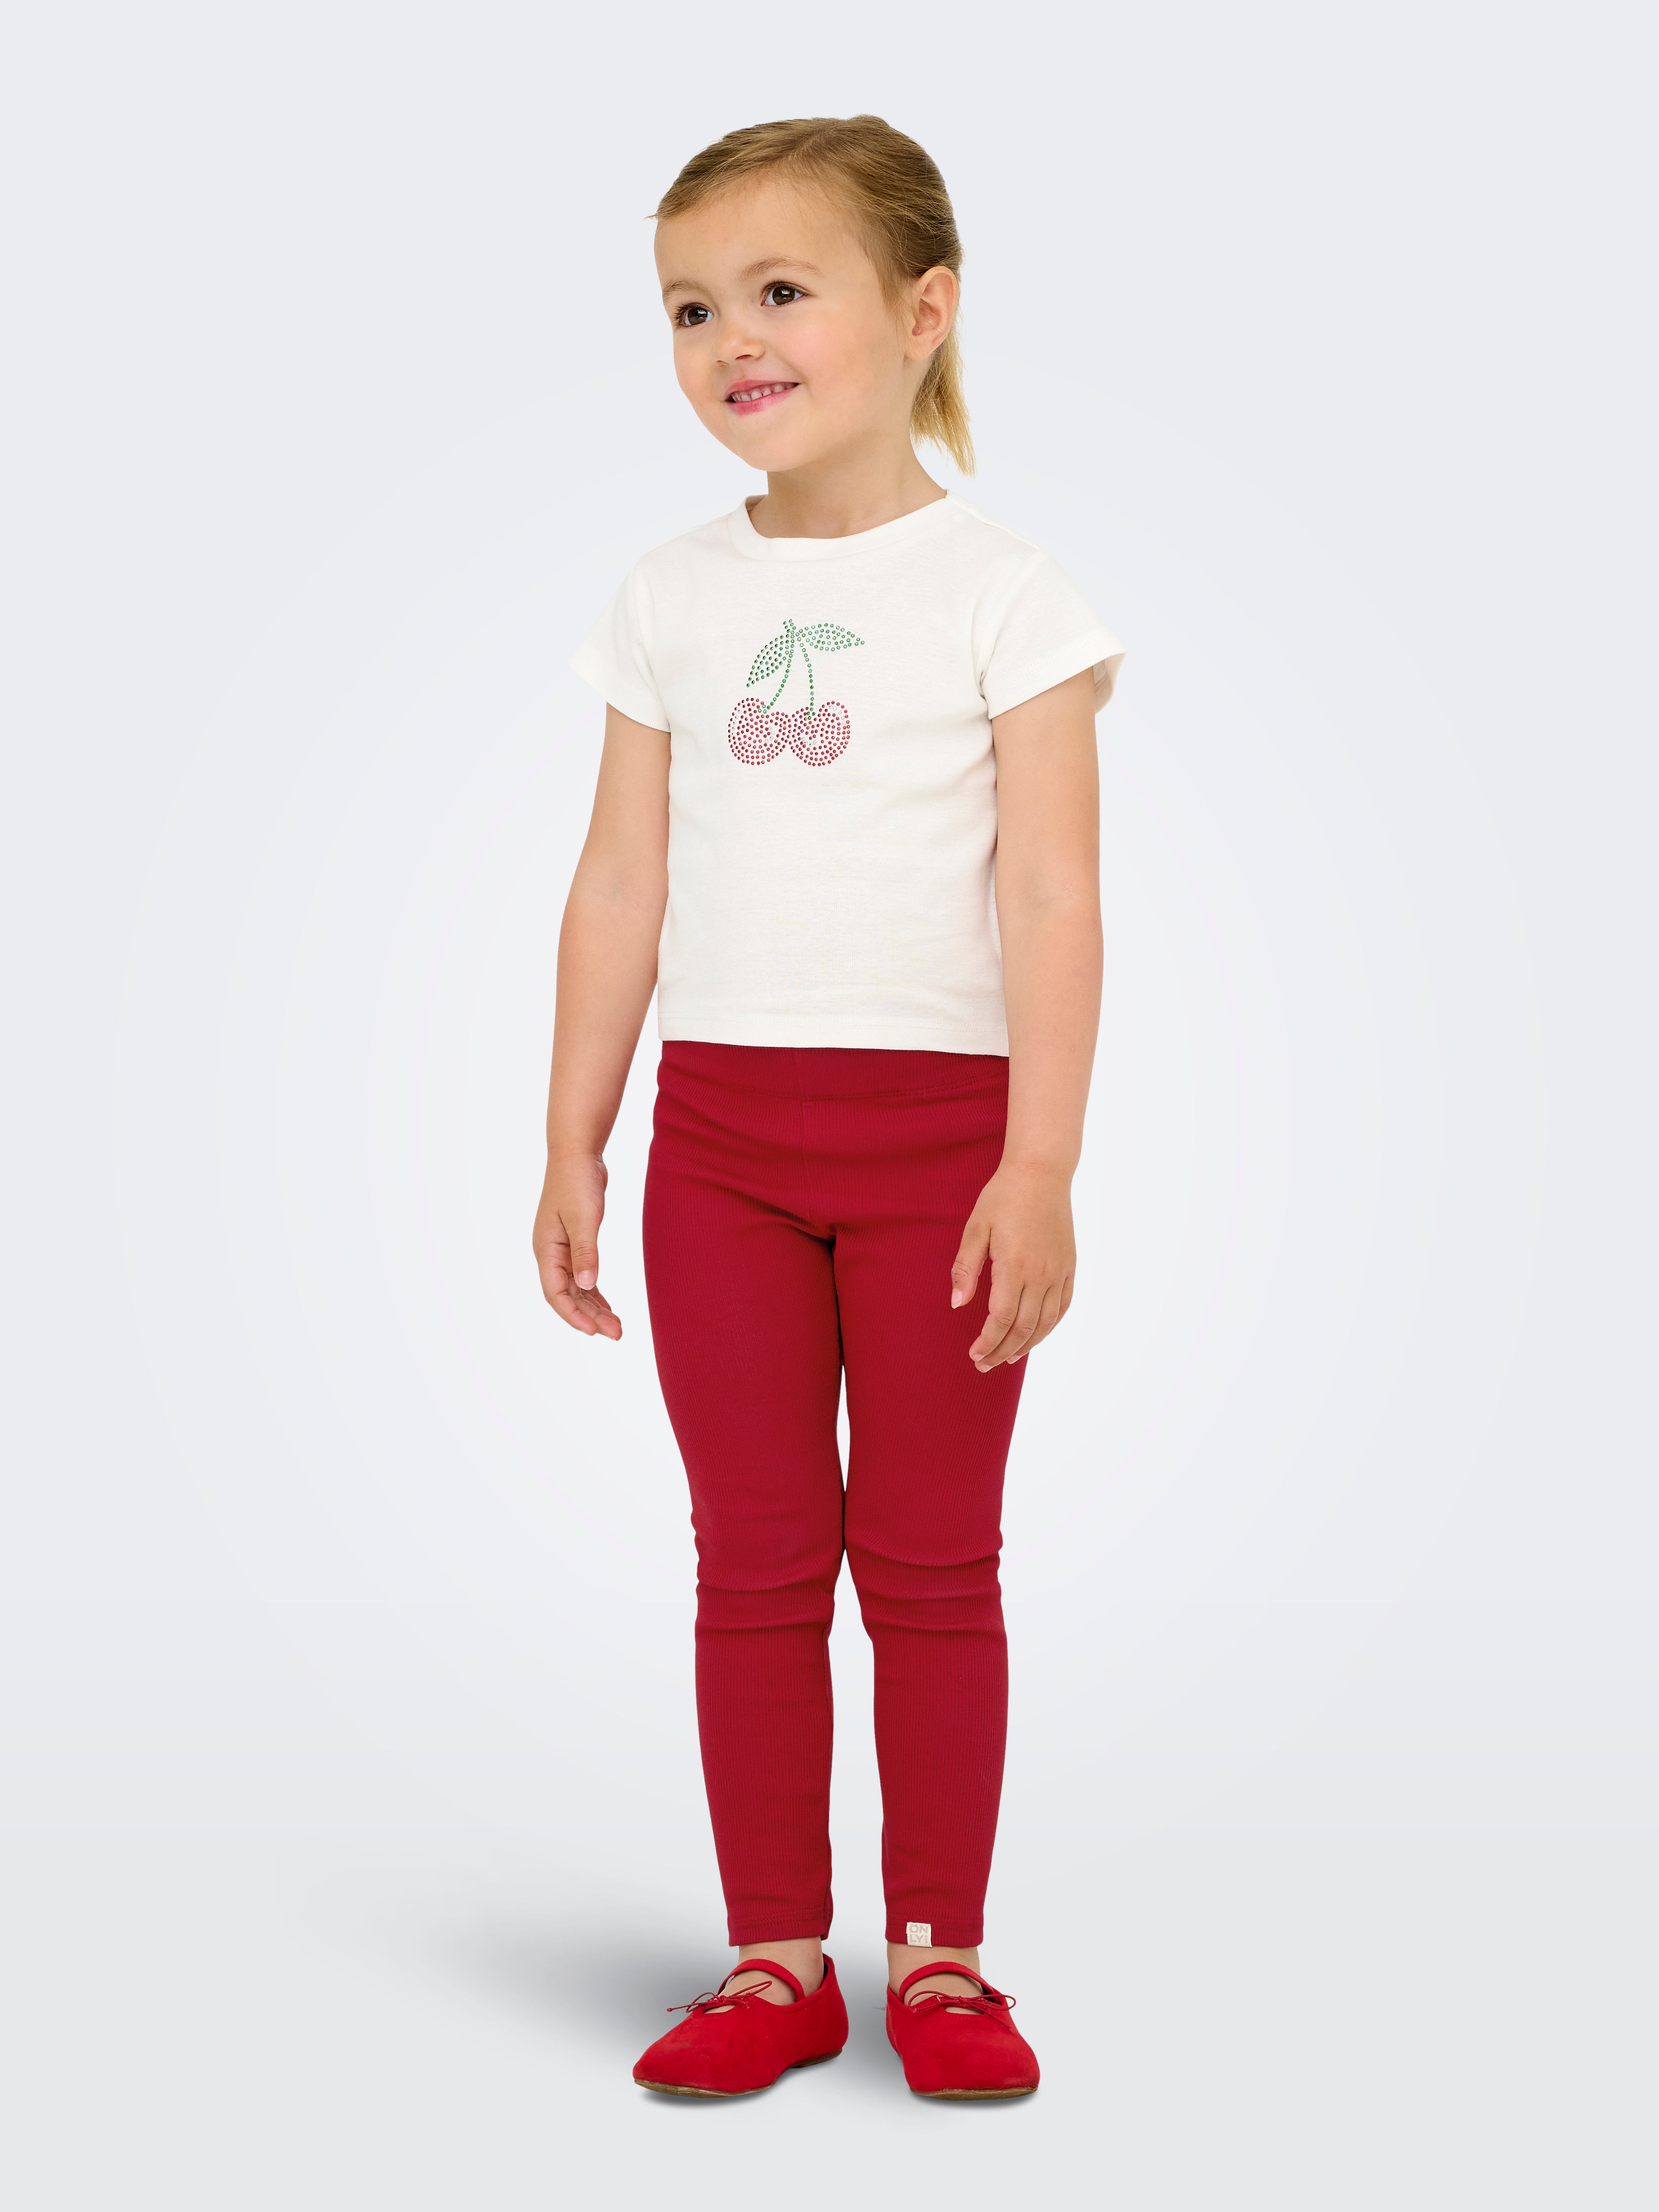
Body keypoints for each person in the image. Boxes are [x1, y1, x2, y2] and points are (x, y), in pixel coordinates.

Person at [533, 113, 1123, 2101]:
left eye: (780, 292)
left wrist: (1040, 1162)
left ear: (921, 309)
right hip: (718, 1151)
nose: (731, 340)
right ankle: (776, 1957)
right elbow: (619, 881)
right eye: (690, 308)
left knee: (933, 1562)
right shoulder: (667, 597)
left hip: (946, 1152)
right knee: (758, 1560)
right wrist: (572, 1135)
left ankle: (940, 1962)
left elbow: (1051, 897)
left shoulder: (1006, 593)